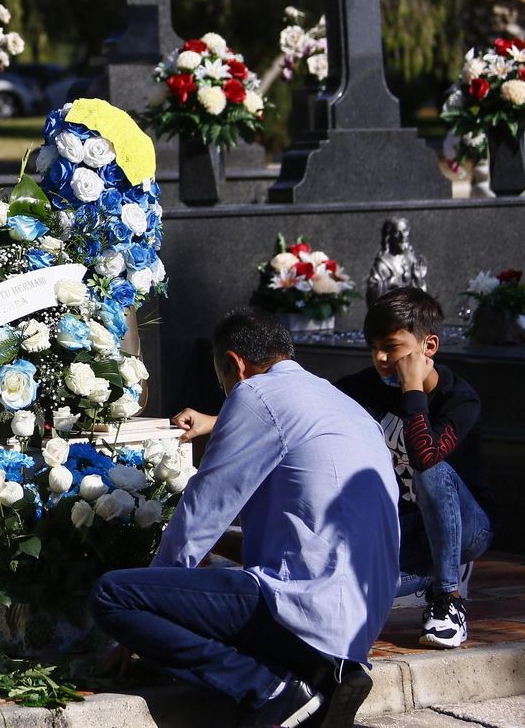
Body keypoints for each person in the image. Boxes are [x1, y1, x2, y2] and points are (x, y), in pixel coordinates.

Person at [91, 308, 399, 728]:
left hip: (304, 609)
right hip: (359, 624)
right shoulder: (343, 405)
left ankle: (270, 689)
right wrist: (217, 546)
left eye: (222, 384)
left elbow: (201, 513)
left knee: (114, 595)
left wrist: (139, 625)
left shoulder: (255, 395)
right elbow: (300, 535)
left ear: (235, 364)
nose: (225, 392)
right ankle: (316, 677)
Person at [336, 288, 491, 648]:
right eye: (374, 347)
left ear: (429, 346)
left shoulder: (459, 398)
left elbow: (425, 456)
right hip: (404, 531)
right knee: (343, 581)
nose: (380, 358)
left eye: (391, 346)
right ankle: (433, 578)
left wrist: (411, 387)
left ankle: (448, 601)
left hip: (468, 528)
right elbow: (303, 407)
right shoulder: (366, 386)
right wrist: (215, 421)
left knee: (432, 467)